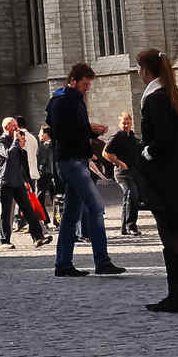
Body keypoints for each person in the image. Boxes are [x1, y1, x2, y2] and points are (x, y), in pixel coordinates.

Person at [105, 49, 178, 313]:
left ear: (146, 70)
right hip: (173, 173)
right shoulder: (167, 93)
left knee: (170, 233)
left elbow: (162, 140)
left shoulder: (155, 98)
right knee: (174, 234)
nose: (138, 73)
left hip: (163, 175)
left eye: (139, 68)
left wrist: (145, 152)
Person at [45, 62, 126, 279]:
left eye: (89, 84)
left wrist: (90, 133)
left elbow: (74, 130)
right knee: (96, 206)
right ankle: (102, 261)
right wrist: (89, 128)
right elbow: (61, 131)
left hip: (77, 159)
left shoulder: (74, 99)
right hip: (70, 161)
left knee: (71, 214)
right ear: (73, 81)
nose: (87, 88)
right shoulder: (61, 101)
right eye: (84, 84)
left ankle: (63, 264)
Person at [0, 117, 46, 247]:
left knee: (28, 210)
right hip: (5, 182)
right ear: (6, 128)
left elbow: (22, 162)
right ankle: (4, 240)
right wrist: (16, 142)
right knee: (6, 213)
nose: (17, 129)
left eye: (17, 126)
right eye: (14, 127)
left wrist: (26, 180)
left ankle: (38, 237)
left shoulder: (16, 142)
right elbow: (8, 154)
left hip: (18, 182)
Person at [114, 111, 144, 235]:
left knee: (130, 197)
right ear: (119, 124)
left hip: (133, 172)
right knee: (131, 193)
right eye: (123, 123)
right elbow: (106, 153)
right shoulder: (117, 137)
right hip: (121, 173)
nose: (126, 125)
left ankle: (124, 227)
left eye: (128, 123)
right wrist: (120, 163)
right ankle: (131, 225)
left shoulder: (133, 138)